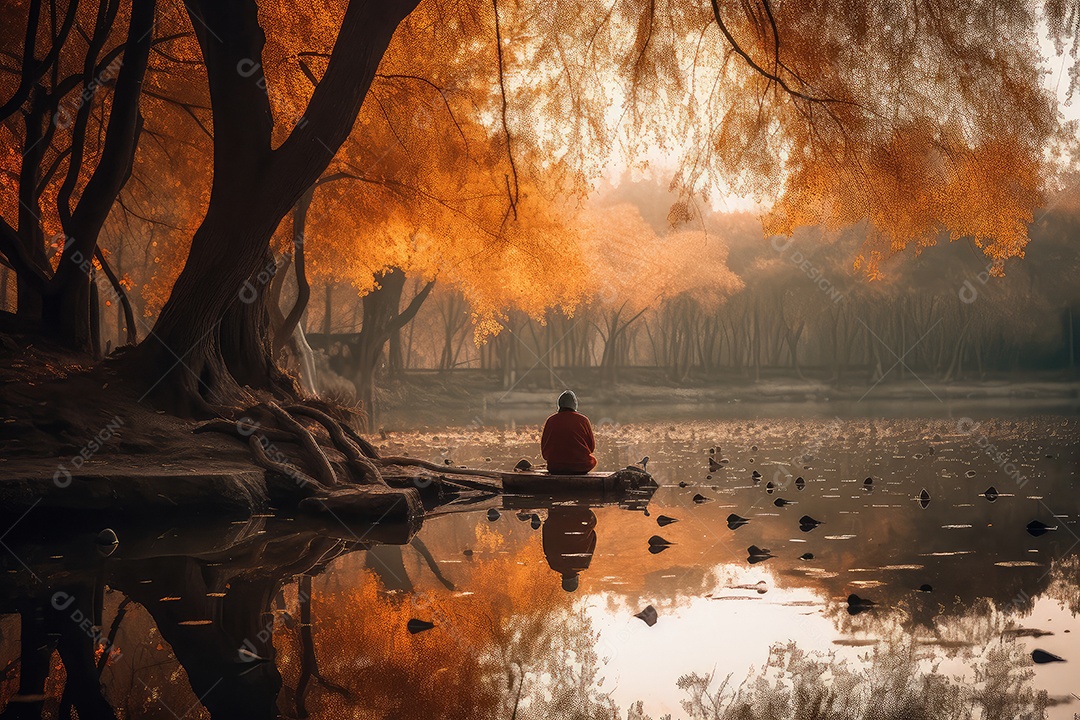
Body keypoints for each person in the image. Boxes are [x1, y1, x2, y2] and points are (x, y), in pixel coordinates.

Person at [542, 506, 598, 592]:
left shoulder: (583, 565)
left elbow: (592, 539)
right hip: (556, 519)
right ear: (563, 580)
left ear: (576, 579)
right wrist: (549, 522)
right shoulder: (554, 565)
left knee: (591, 522)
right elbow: (547, 540)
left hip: (580, 519)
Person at [541, 390, 597, 474]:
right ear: (575, 405)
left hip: (555, 467)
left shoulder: (551, 420)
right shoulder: (583, 420)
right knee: (593, 460)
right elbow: (591, 448)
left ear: (559, 404)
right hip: (580, 467)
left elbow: (544, 452)